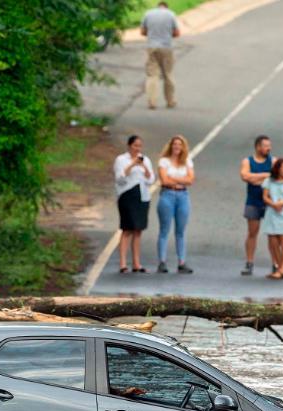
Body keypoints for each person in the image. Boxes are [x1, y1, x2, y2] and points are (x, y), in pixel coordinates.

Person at [113, 135, 155, 272]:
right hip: (127, 196)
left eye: (139, 146)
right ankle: (123, 263)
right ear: (129, 145)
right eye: (135, 146)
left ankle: (137, 263)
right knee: (127, 229)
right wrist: (132, 164)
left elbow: (151, 180)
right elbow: (120, 178)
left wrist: (143, 166)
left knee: (138, 230)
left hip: (142, 197)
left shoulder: (145, 160)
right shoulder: (121, 160)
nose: (137, 149)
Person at [156, 135, 194, 274]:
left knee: (180, 231)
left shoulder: (187, 162)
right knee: (164, 229)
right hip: (168, 195)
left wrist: (174, 178)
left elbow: (190, 180)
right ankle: (162, 261)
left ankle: (182, 261)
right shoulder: (164, 161)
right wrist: (180, 180)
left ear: (183, 147)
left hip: (183, 195)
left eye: (180, 144)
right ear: (171, 146)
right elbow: (164, 180)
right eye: (175, 144)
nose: (177, 147)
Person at [239, 135, 274, 276]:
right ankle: (249, 262)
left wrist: (256, 177)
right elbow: (245, 176)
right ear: (258, 147)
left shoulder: (273, 161)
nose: (268, 148)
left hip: (270, 201)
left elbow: (276, 176)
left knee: (273, 234)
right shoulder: (248, 161)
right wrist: (265, 175)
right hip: (253, 201)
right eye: (265, 146)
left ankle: (275, 263)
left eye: (269, 146)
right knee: (252, 232)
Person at [140, 2, 180, 110]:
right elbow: (177, 33)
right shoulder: (171, 14)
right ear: (166, 6)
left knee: (152, 75)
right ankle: (170, 101)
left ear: (158, 6)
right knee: (168, 74)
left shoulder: (148, 14)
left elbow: (143, 32)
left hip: (152, 47)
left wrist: (153, 33)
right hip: (167, 47)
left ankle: (152, 102)